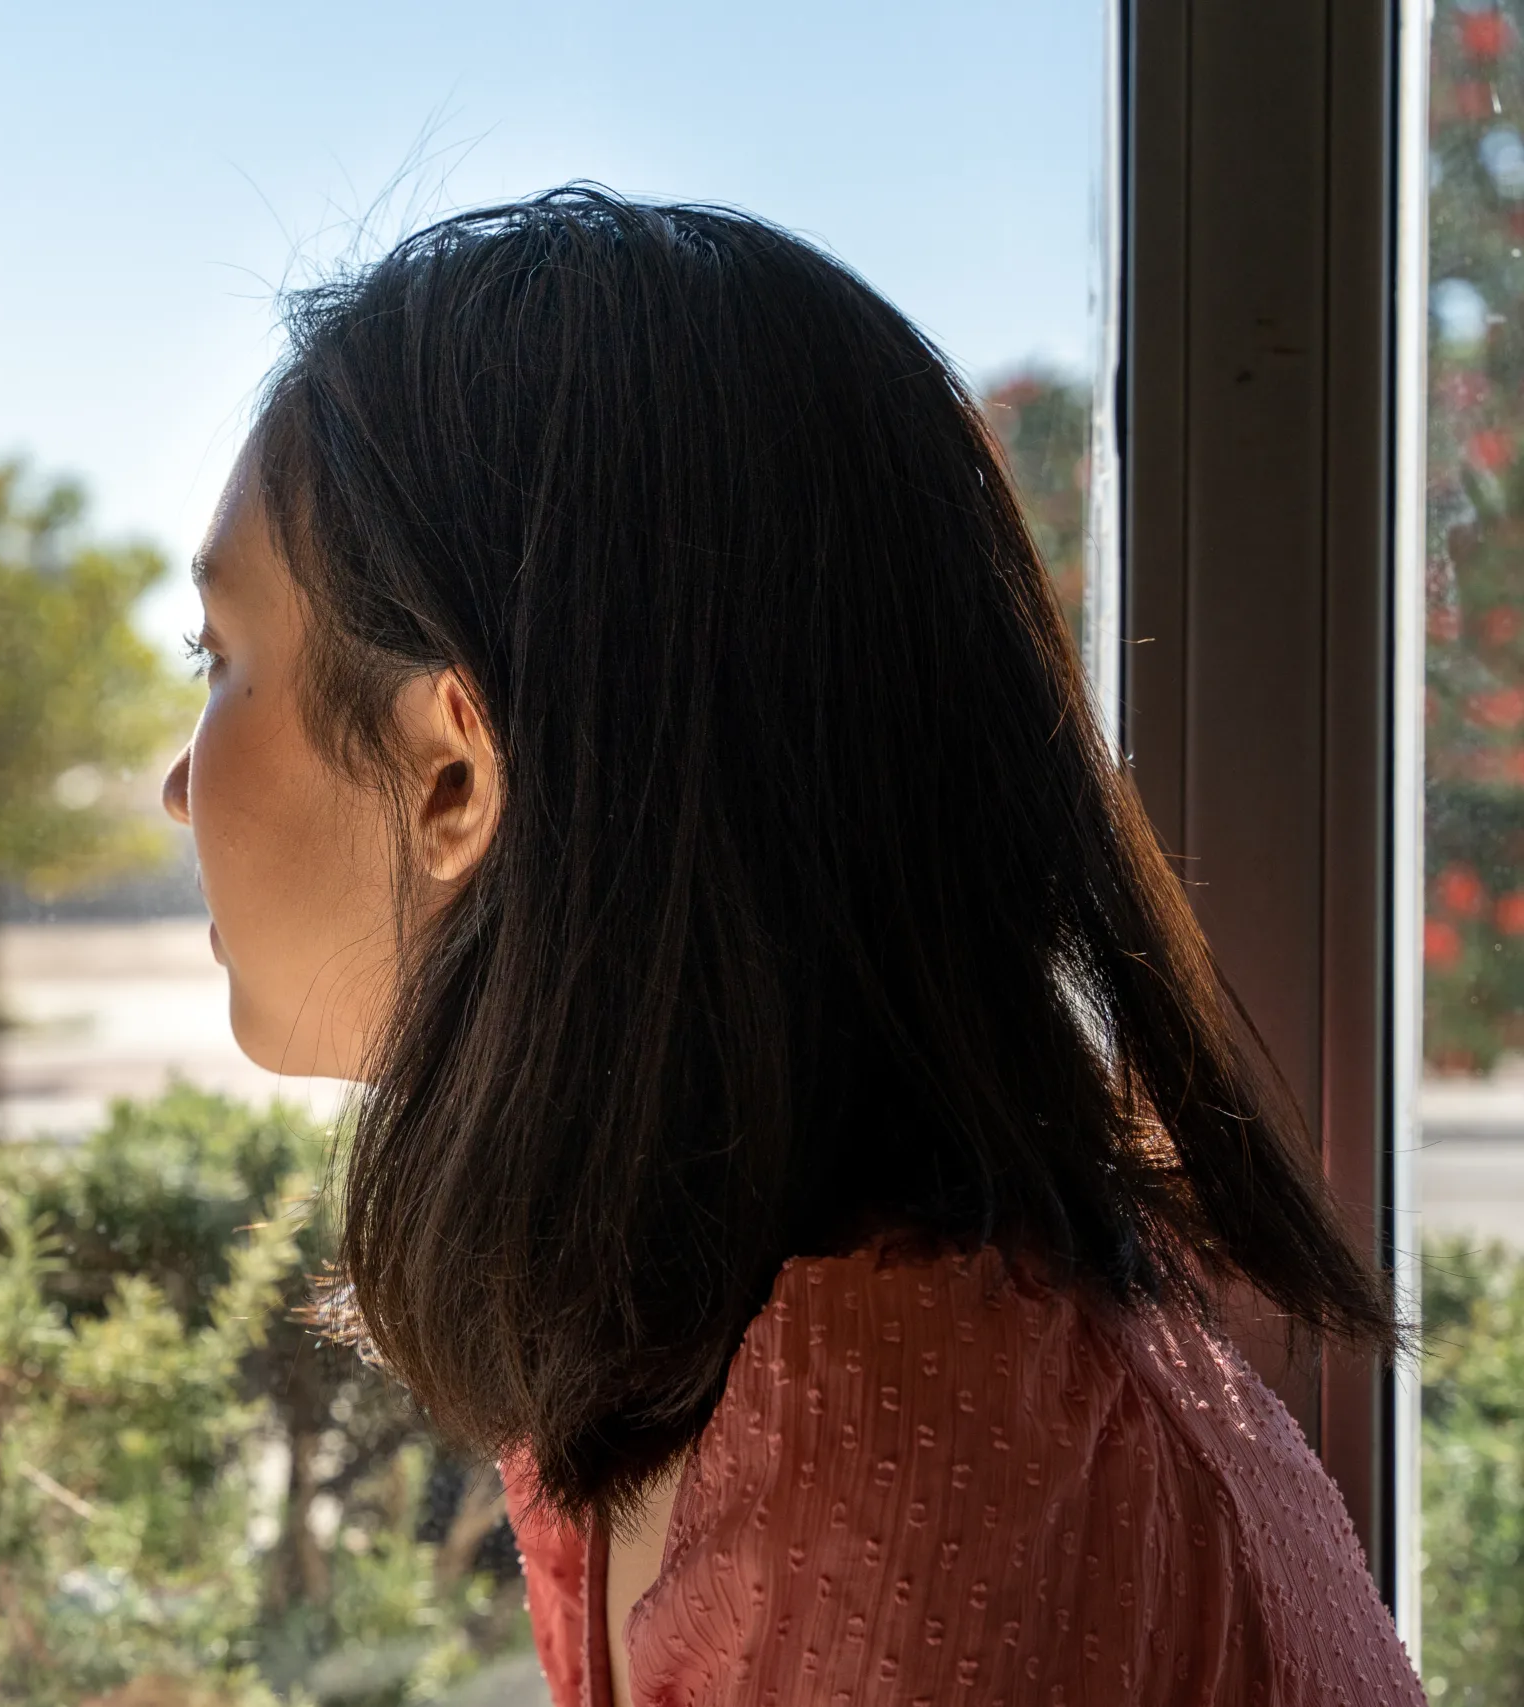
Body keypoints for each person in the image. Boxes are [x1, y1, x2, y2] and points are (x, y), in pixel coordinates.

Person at [160, 189, 1422, 1705]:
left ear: (454, 771)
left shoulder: (901, 1447)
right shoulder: (742, 1342)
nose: (177, 783)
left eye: (219, 659)